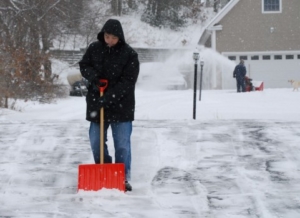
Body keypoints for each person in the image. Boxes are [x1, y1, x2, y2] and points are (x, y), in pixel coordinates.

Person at [79, 19, 140, 192]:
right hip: (96, 104)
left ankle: (122, 176)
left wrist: (109, 96)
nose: (110, 40)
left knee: (122, 143)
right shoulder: (94, 48)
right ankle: (105, 171)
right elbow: (84, 66)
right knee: (96, 140)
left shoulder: (130, 54)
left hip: (122, 105)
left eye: (113, 38)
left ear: (119, 37)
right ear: (103, 35)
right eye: (107, 36)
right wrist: (94, 78)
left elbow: (128, 81)